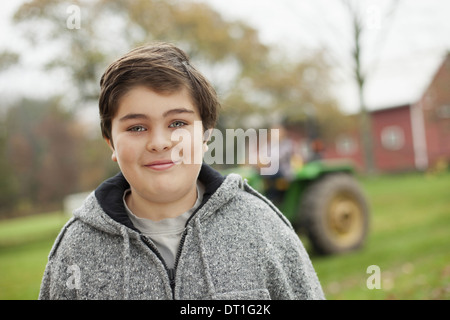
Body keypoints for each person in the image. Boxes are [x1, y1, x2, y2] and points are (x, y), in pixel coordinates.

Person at [39, 42, 325, 300]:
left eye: (177, 123)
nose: (160, 143)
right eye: (136, 127)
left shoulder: (264, 229)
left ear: (205, 136)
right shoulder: (75, 251)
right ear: (111, 142)